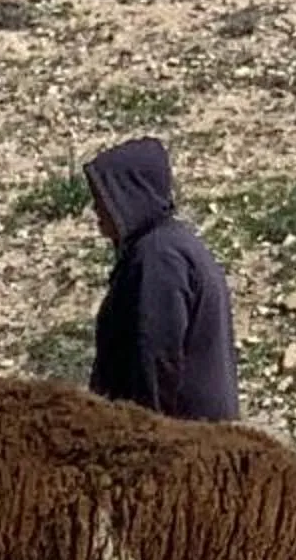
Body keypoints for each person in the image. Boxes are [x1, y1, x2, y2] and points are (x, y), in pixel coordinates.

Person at [82, 137, 238, 424]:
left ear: (129, 195)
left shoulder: (158, 257)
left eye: (103, 198)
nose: (96, 210)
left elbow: (154, 355)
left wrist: (142, 435)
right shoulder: (169, 246)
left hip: (184, 440)